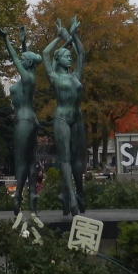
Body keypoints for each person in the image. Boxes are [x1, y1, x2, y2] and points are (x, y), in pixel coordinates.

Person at [0, 25, 55, 216]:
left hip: (23, 120)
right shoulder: (29, 77)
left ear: (28, 64)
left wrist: (6, 39)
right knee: (31, 161)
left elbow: (16, 59)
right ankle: (32, 196)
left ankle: (18, 196)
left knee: (21, 161)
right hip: (31, 120)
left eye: (24, 61)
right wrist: (23, 42)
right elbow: (25, 57)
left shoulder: (27, 76)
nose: (21, 61)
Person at [42, 17, 87, 215]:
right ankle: (71, 197)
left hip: (77, 117)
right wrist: (61, 37)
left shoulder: (75, 76)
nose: (70, 58)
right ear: (58, 60)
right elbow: (45, 53)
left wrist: (73, 34)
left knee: (78, 160)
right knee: (66, 158)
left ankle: (78, 193)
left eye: (70, 56)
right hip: (61, 117)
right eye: (66, 56)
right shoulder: (54, 76)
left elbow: (81, 53)